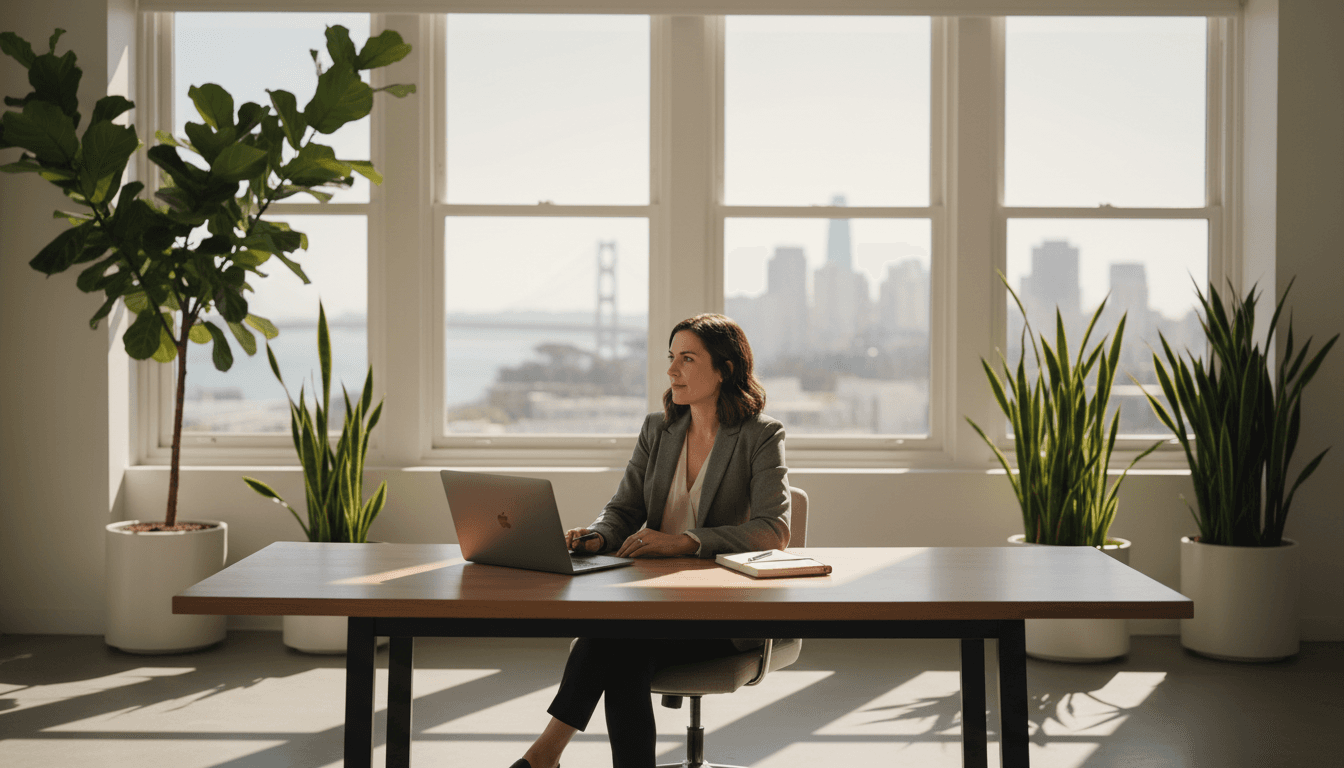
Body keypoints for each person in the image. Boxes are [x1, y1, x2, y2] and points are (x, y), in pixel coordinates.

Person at [509, 313, 791, 768]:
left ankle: (544, 756)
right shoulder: (658, 430)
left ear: (725, 369)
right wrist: (598, 536)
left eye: (687, 359)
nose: (672, 370)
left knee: (613, 640)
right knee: (623, 649)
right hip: (655, 605)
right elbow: (623, 510)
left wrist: (685, 542)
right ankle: (547, 757)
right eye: (671, 357)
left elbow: (773, 530)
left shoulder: (760, 434)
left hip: (726, 613)